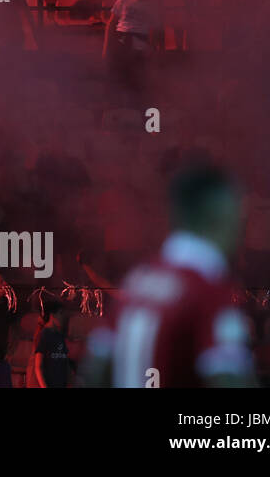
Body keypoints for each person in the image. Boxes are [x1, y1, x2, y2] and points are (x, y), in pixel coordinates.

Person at [84, 163, 255, 388]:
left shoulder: (138, 280)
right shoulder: (210, 294)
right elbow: (229, 382)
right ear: (220, 216)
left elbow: (95, 368)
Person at [29, 300, 73, 388]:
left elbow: (65, 363)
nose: (63, 317)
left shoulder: (60, 335)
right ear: (52, 315)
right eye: (60, 313)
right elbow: (38, 366)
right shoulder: (43, 335)